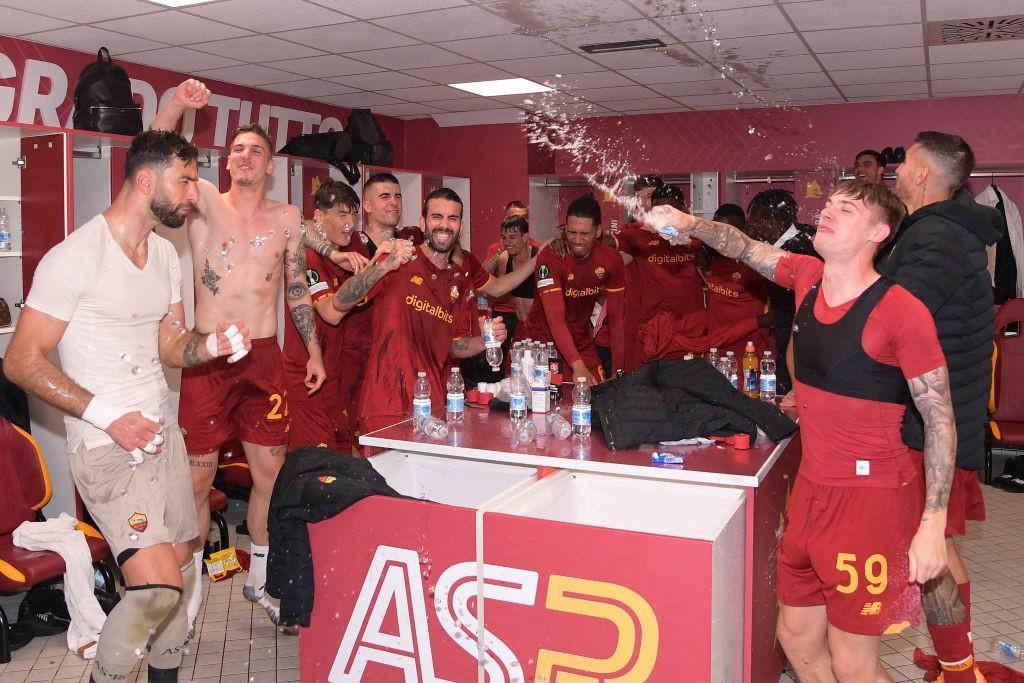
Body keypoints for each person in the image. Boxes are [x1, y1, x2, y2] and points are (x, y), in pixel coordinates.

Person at [650, 179, 959, 681]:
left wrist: (932, 523)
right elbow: (744, 246)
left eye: (848, 207)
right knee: (795, 638)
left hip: (871, 497)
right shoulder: (807, 275)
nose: (828, 212)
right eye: (829, 203)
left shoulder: (901, 309)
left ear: (879, 231)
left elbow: (940, 417)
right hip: (813, 488)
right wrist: (687, 223)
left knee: (852, 660)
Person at [4, 129, 251, 683]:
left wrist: (213, 345)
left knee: (181, 575)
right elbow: (21, 360)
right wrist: (106, 417)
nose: (194, 192)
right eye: (184, 180)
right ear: (146, 181)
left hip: (163, 437)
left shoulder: (164, 252)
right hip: (107, 446)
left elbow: (169, 343)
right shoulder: (75, 257)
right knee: (156, 588)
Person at [149, 80, 325, 628]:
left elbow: (296, 289)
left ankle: (262, 580)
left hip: (265, 358)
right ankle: (192, 588)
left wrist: (313, 349)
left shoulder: (288, 218)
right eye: (235, 150)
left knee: (270, 475)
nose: (242, 157)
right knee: (197, 481)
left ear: (269, 165)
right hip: (208, 360)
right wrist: (178, 104)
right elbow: (155, 150)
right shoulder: (201, 201)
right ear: (225, 163)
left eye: (254, 150)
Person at [880, 131, 1003, 681]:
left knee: (929, 548)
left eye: (904, 163)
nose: (897, 172)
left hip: (932, 420)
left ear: (924, 174)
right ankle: (959, 652)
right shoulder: (948, 232)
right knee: (940, 540)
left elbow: (893, 324)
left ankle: (959, 666)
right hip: (946, 410)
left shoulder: (937, 237)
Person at [330, 188, 507, 435]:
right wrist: (382, 267)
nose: (444, 225)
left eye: (452, 219)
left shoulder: (460, 280)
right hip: (385, 406)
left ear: (461, 227)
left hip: (431, 405)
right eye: (437, 217)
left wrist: (487, 341)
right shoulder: (399, 260)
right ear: (423, 222)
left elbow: (456, 346)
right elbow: (340, 302)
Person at [284, 180, 368, 453]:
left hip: (335, 374)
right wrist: (377, 270)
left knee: (340, 459)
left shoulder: (346, 254)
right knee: (316, 466)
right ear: (319, 218)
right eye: (342, 214)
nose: (350, 222)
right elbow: (330, 313)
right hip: (306, 376)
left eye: (354, 215)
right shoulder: (307, 256)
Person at [517, 193, 625, 385]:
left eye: (584, 233)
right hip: (542, 345)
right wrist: (577, 365)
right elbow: (555, 317)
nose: (577, 240)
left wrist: (618, 369)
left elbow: (617, 319)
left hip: (581, 342)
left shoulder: (611, 260)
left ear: (599, 231)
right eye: (571, 232)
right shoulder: (551, 257)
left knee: (597, 395)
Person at [746, 189, 820, 395]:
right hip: (787, 332)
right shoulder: (805, 234)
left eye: (755, 220)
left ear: (772, 221)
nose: (751, 226)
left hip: (802, 337)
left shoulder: (798, 250)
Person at [701, 203, 770, 357]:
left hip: (749, 352)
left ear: (742, 231)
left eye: (727, 231)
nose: (720, 236)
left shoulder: (756, 265)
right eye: (716, 230)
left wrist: (751, 325)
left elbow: (775, 315)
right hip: (715, 352)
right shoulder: (707, 260)